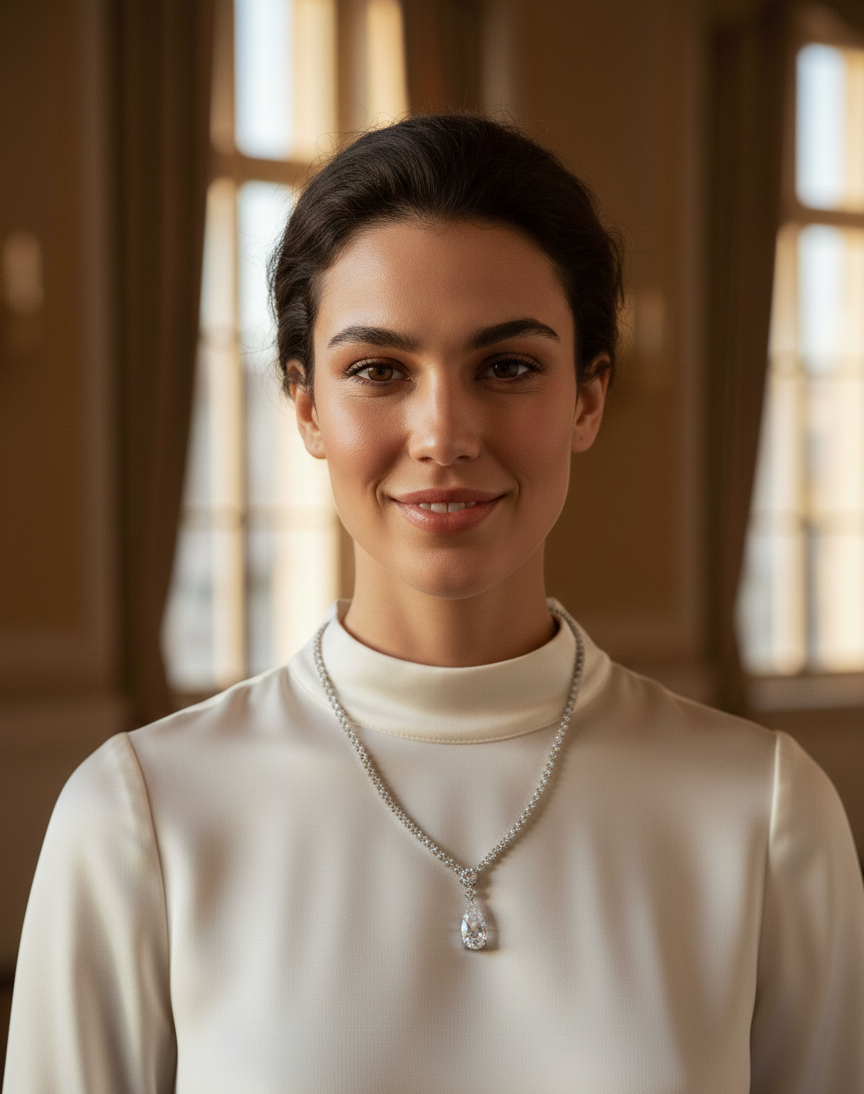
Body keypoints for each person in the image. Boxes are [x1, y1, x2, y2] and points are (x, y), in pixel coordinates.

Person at [4, 114, 864, 1093]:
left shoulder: (762, 816)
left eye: (507, 366)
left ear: (588, 399)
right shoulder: (140, 820)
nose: (443, 431)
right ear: (306, 405)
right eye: (379, 369)